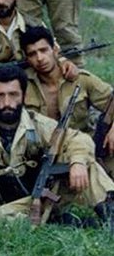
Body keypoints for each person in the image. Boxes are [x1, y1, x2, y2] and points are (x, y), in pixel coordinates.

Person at [0, 64, 114, 224]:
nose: (7, 102)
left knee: (85, 162)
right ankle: (61, 222)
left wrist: (77, 162)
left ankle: (110, 213)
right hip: (14, 204)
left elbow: (78, 139)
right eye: (0, 95)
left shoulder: (39, 124)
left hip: (47, 194)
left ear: (24, 95)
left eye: (13, 95)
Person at [18, 26, 114, 170]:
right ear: (27, 59)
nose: (40, 58)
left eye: (44, 50)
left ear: (55, 50)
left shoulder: (81, 79)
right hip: (43, 157)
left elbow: (110, 99)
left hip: (85, 149)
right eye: (32, 54)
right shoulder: (22, 86)